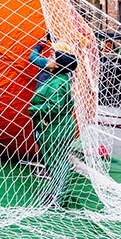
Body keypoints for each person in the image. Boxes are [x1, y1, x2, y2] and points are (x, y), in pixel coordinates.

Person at [28, 44, 79, 173]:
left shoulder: (57, 83)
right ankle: (58, 190)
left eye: (51, 57)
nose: (48, 58)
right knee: (56, 161)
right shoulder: (60, 79)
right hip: (58, 126)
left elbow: (54, 107)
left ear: (57, 65)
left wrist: (33, 110)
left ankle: (58, 192)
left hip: (56, 128)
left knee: (55, 162)